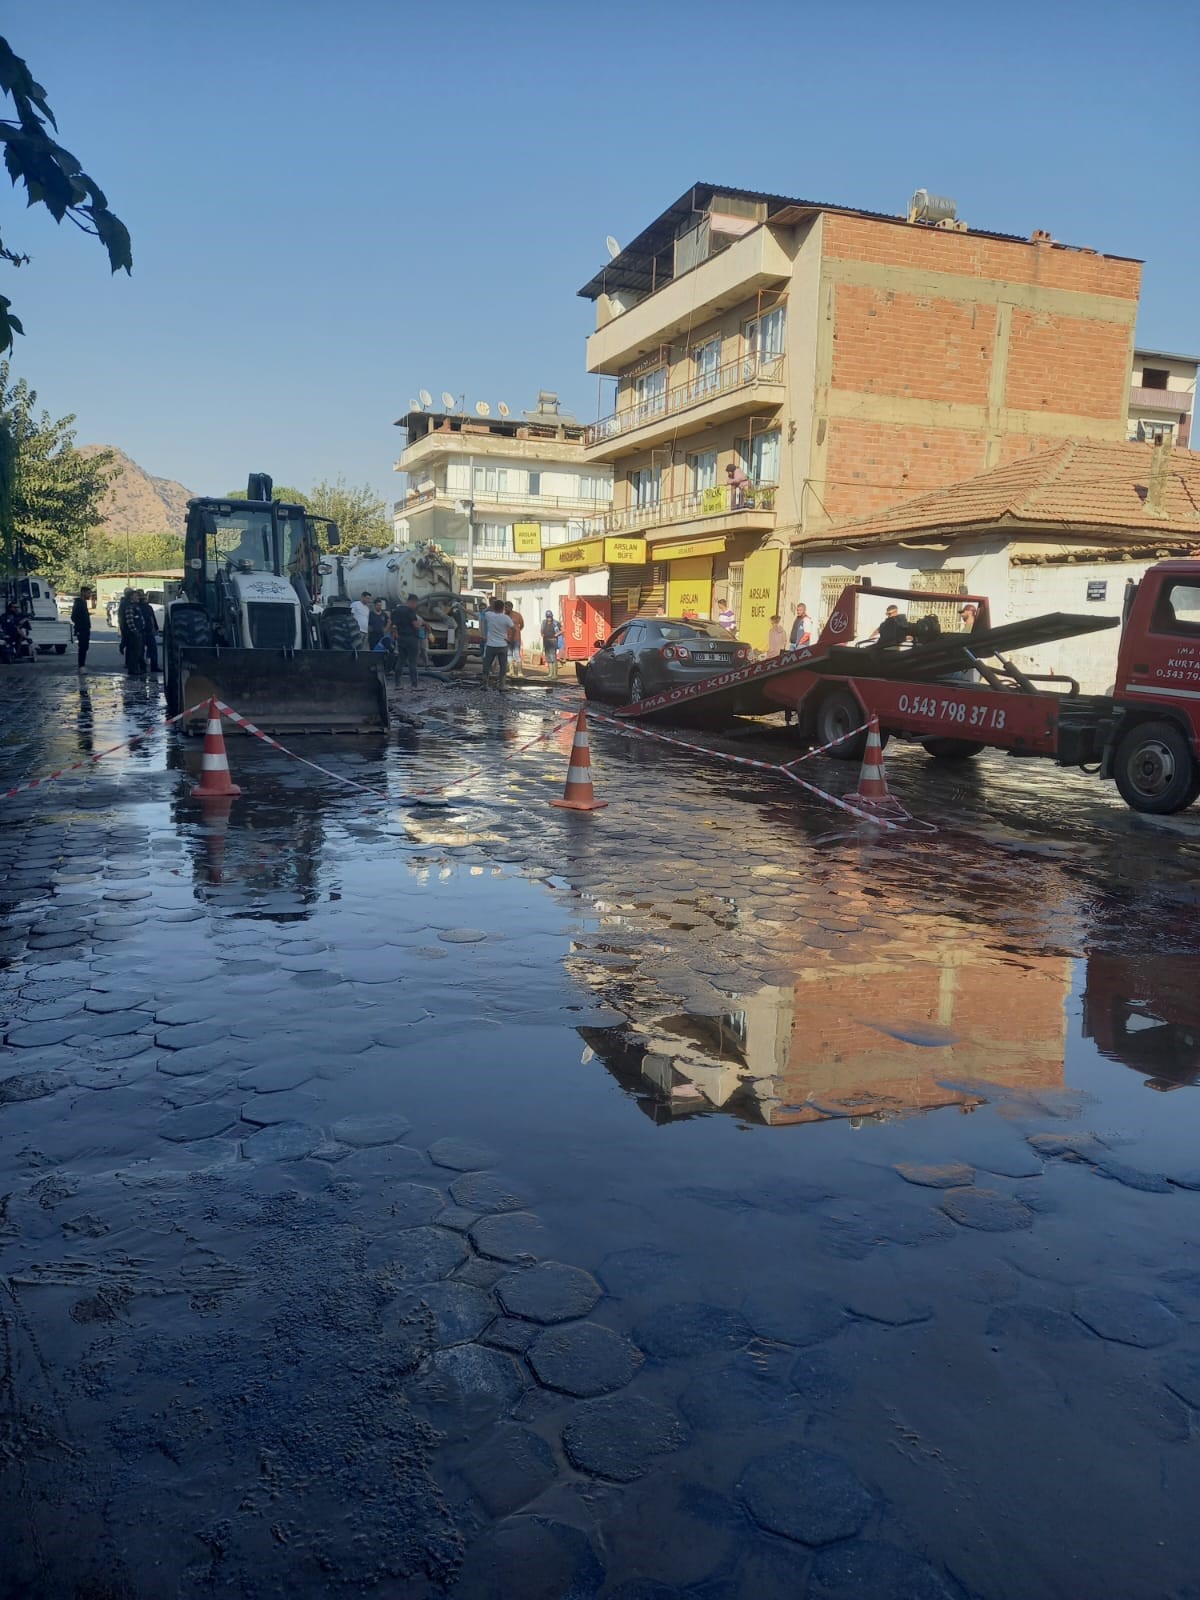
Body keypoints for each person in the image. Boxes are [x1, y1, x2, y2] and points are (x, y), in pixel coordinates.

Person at [390, 593, 421, 689]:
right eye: (416, 603)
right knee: (412, 662)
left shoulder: (396, 611)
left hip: (401, 638)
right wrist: (421, 624)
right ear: (412, 602)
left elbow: (393, 625)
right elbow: (415, 625)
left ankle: (397, 683)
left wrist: (395, 634)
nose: (416, 605)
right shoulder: (410, 611)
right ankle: (414, 685)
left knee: (401, 660)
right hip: (411, 638)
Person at [482, 597, 514, 692]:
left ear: (493, 607)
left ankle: (485, 685)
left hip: (491, 645)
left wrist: (491, 606)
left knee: (487, 665)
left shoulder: (489, 615)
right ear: (503, 608)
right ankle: (502, 685)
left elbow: (485, 611)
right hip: (502, 645)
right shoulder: (506, 618)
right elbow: (515, 629)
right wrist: (510, 640)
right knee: (503, 666)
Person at [117, 588, 145, 674]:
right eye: (136, 596)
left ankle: (136, 668)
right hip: (133, 634)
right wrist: (135, 631)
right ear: (131, 597)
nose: (138, 597)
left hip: (138, 631)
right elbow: (130, 621)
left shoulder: (136, 606)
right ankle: (133, 669)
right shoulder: (130, 607)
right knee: (134, 652)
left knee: (137, 651)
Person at [135, 590, 160, 673]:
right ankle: (145, 667)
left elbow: (152, 617)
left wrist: (155, 627)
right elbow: (152, 618)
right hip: (142, 631)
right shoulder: (136, 607)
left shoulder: (146, 607)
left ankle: (151, 666)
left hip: (148, 631)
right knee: (142, 650)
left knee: (150, 650)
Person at [71, 586, 93, 673]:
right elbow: (74, 616)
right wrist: (80, 624)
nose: (90, 595)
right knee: (82, 647)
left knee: (85, 647)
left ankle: (82, 665)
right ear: (83, 593)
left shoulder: (84, 603)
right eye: (88, 593)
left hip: (85, 628)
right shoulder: (79, 603)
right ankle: (81, 666)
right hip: (81, 629)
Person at [504, 600, 524, 678]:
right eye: (505, 607)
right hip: (507, 638)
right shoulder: (503, 616)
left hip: (516, 638)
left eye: (507, 607)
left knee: (517, 654)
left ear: (511, 607)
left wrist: (517, 631)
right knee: (509, 655)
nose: (506, 608)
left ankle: (519, 672)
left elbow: (522, 625)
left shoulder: (517, 615)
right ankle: (511, 671)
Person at [541, 610, 560, 679]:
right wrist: (542, 634)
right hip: (546, 642)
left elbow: (562, 630)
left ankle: (555, 675)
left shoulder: (556, 623)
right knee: (548, 658)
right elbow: (541, 630)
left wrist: (557, 634)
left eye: (550, 617)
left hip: (553, 641)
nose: (549, 618)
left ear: (552, 616)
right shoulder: (544, 622)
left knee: (553, 657)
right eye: (548, 617)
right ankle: (550, 673)